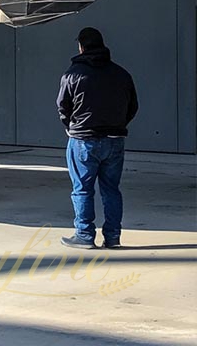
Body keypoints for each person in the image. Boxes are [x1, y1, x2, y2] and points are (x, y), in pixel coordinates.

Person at [57, 27, 138, 249]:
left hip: (83, 140)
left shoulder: (73, 73)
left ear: (81, 47)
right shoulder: (121, 74)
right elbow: (133, 106)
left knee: (82, 189)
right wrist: (118, 125)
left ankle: (84, 235)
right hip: (114, 140)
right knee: (111, 189)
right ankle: (112, 237)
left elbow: (62, 106)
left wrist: (70, 126)